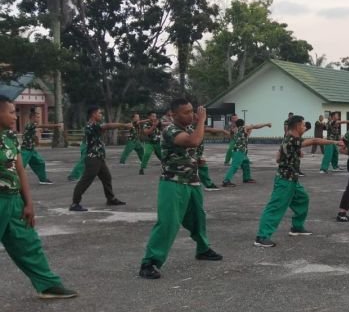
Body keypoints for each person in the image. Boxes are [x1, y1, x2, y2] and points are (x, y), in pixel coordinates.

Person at [0, 96, 77, 299]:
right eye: (10, 112)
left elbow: (19, 170)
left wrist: (28, 203)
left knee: (28, 243)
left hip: (13, 201)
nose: (15, 116)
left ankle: (48, 285)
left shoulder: (9, 136)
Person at [137, 99, 223, 279]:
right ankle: (150, 262)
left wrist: (196, 160)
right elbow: (193, 141)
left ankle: (203, 249)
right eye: (186, 112)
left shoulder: (189, 128)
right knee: (168, 223)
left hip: (192, 182)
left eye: (192, 111)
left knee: (198, 219)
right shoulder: (170, 130)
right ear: (174, 115)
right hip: (173, 183)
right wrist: (202, 120)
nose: (191, 115)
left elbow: (191, 148)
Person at [254, 116, 331, 246]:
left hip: (292, 179)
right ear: (296, 126)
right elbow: (314, 140)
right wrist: (335, 142)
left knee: (302, 199)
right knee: (276, 207)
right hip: (285, 180)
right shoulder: (292, 139)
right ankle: (262, 237)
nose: (304, 128)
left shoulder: (289, 137)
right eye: (303, 126)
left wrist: (293, 153)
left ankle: (297, 227)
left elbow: (278, 157)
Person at [70, 106, 131, 212]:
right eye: (99, 113)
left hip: (98, 157)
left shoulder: (94, 125)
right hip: (93, 158)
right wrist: (124, 125)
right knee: (85, 181)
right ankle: (75, 203)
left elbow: (100, 132)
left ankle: (110, 199)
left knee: (107, 177)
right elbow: (107, 126)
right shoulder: (91, 125)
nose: (101, 115)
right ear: (93, 114)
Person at [222, 119, 271, 187]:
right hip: (239, 151)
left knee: (245, 162)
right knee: (234, 166)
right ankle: (226, 180)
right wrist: (266, 124)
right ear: (243, 124)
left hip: (239, 150)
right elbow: (256, 126)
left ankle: (246, 178)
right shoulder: (244, 128)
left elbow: (231, 136)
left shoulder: (234, 129)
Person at [20, 109, 63, 184]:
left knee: (40, 162)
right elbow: (42, 125)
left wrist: (36, 140)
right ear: (32, 117)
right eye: (37, 117)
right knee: (20, 166)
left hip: (31, 150)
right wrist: (56, 125)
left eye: (39, 117)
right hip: (25, 150)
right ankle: (10, 181)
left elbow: (31, 136)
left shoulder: (32, 127)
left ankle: (43, 179)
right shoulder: (30, 124)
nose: (38, 119)